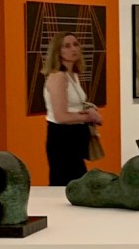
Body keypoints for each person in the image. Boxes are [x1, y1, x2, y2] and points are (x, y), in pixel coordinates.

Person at [43, 31, 102, 186]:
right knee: (66, 184)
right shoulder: (58, 77)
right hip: (62, 138)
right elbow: (61, 116)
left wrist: (88, 112)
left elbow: (72, 107)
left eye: (75, 44)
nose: (73, 49)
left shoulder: (72, 75)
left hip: (75, 136)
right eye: (67, 46)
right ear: (58, 51)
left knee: (77, 184)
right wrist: (88, 117)